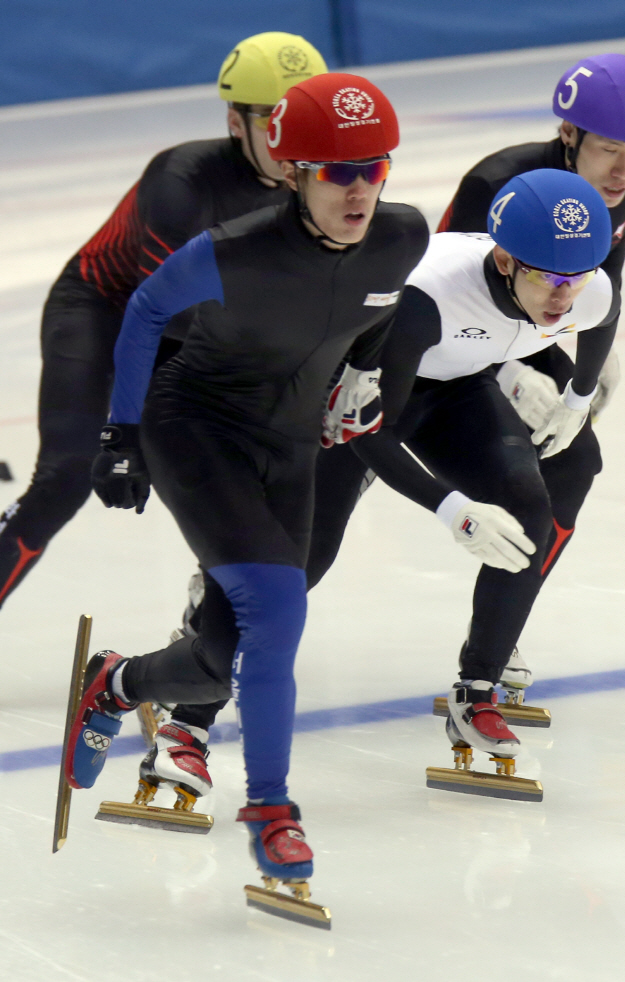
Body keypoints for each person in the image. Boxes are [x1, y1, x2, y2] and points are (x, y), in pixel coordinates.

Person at [65, 73, 429, 890]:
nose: (360, 188)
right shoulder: (234, 251)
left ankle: (116, 683)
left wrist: (364, 374)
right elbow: (145, 312)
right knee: (279, 607)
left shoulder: (402, 238)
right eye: (339, 172)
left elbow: (387, 306)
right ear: (295, 170)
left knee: (220, 656)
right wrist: (122, 434)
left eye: (375, 167)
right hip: (197, 431)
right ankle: (272, 812)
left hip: (291, 443)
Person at [0, 31, 327, 610]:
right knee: (70, 473)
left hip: (198, 328)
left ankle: (213, 616)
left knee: (240, 466)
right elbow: (166, 321)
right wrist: (130, 433)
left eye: (302, 118)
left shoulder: (321, 184)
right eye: (273, 119)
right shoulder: (180, 181)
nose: (290, 139)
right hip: (102, 307)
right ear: (235, 122)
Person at [308, 167, 617, 759]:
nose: (563, 298)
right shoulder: (427, 298)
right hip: (360, 391)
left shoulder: (586, 288)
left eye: (576, 280)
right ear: (505, 261)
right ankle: (200, 649)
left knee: (532, 510)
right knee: (306, 559)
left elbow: (604, 315)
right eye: (550, 279)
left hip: (454, 384)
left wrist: (578, 398)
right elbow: (371, 431)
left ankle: (477, 690)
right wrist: (453, 510)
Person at [433, 54, 625, 691]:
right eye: (611, 149)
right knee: (344, 478)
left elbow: (604, 275)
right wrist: (506, 371)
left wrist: (596, 348)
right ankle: (217, 603)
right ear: (569, 135)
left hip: (534, 318)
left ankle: (496, 636)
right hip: (436, 338)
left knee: (575, 461)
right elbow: (446, 288)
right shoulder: (499, 180)